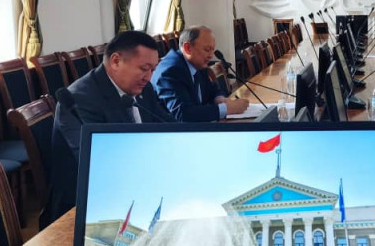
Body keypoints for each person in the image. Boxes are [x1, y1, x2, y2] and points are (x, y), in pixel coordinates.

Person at [43, 30, 174, 227]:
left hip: (137, 185)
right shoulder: (79, 100)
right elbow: (98, 162)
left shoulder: (142, 87)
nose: (149, 77)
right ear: (116, 61)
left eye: (153, 70)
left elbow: (167, 123)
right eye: (144, 68)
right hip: (87, 205)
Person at [151, 25, 249, 122]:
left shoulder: (197, 64)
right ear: (188, 48)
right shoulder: (170, 72)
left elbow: (213, 89)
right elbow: (183, 114)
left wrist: (219, 98)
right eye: (207, 49)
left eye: (212, 50)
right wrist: (227, 109)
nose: (211, 56)